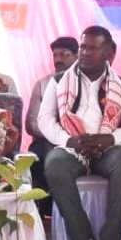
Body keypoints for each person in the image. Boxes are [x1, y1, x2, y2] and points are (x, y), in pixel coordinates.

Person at [40, 27, 121, 240]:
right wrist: (69, 140)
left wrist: (110, 139)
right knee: (54, 164)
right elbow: (45, 120)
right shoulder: (59, 80)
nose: (84, 52)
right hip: (73, 147)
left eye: (93, 48)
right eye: (83, 47)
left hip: (108, 148)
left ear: (109, 53)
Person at [25, 36, 79, 216]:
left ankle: (60, 209)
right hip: (46, 139)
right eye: (55, 55)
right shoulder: (42, 84)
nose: (58, 60)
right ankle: (40, 212)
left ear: (77, 56)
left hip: (77, 140)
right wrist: (55, 133)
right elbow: (31, 124)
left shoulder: (84, 83)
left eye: (64, 54)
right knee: (35, 157)